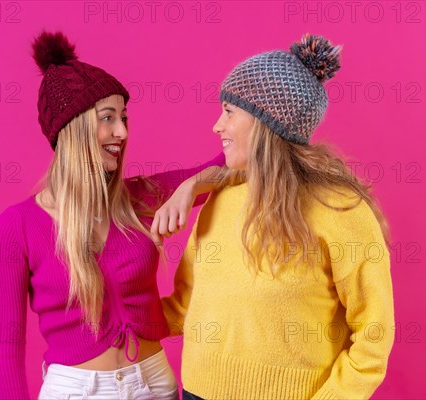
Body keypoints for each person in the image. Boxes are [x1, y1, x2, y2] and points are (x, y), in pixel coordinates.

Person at [0, 31, 225, 400]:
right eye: (108, 118)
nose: (122, 131)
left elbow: (227, 166)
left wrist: (192, 186)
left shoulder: (140, 197)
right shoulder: (15, 227)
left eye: (124, 117)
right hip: (76, 392)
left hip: (155, 384)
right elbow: (5, 347)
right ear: (73, 128)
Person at [160, 33, 395, 400]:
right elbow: (182, 305)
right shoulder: (219, 200)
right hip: (195, 392)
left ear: (263, 122)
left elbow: (373, 332)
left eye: (229, 111)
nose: (216, 126)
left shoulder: (340, 209)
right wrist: (106, 309)